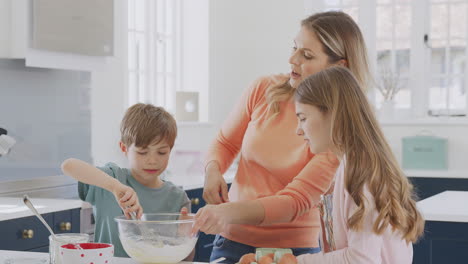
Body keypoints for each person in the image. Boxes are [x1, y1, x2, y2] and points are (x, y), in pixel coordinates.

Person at [193, 11, 372, 264]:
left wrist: (226, 212)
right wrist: (213, 171)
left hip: (292, 253)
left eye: (307, 55)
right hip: (229, 241)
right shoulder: (263, 89)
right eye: (295, 48)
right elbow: (225, 142)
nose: (292, 59)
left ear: (338, 67)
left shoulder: (338, 132)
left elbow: (294, 201)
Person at [288, 66, 424, 263]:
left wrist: (297, 262)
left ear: (333, 114)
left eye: (303, 118)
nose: (298, 130)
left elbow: (362, 259)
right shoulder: (354, 162)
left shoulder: (360, 170)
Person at [61, 103, 191, 258]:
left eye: (162, 152)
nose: (152, 160)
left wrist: (185, 238)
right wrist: (115, 187)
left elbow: (186, 259)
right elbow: (68, 165)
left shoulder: (177, 197)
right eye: (142, 152)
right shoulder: (112, 178)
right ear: (124, 148)